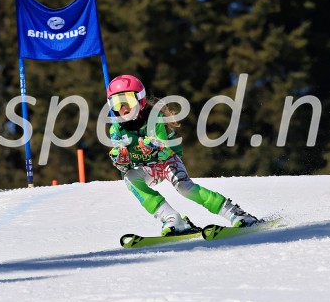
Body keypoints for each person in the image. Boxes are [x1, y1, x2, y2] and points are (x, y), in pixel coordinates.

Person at [107, 74, 259, 236]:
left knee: (185, 187)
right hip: (146, 167)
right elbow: (122, 161)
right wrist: (120, 159)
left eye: (128, 100)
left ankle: (234, 213)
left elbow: (165, 150)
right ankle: (172, 219)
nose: (123, 107)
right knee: (130, 178)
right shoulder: (116, 129)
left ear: (141, 100)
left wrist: (153, 146)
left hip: (167, 161)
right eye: (116, 103)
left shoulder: (154, 118)